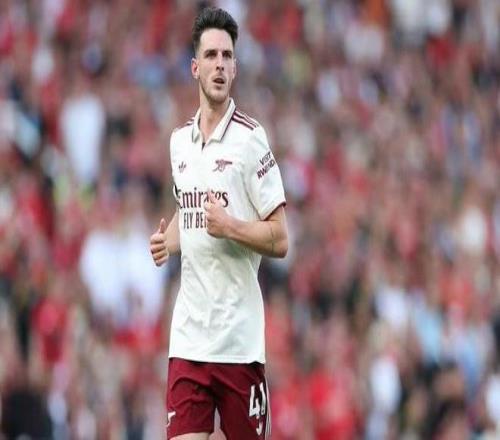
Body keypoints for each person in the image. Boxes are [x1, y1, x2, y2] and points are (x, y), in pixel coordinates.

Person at [149, 6, 288, 440]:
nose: (220, 65)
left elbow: (280, 237)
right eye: (210, 56)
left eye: (227, 56)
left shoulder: (251, 140)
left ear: (236, 68)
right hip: (189, 339)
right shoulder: (179, 143)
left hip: (238, 344)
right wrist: (167, 240)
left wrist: (231, 227)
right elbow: (190, 211)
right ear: (195, 67)